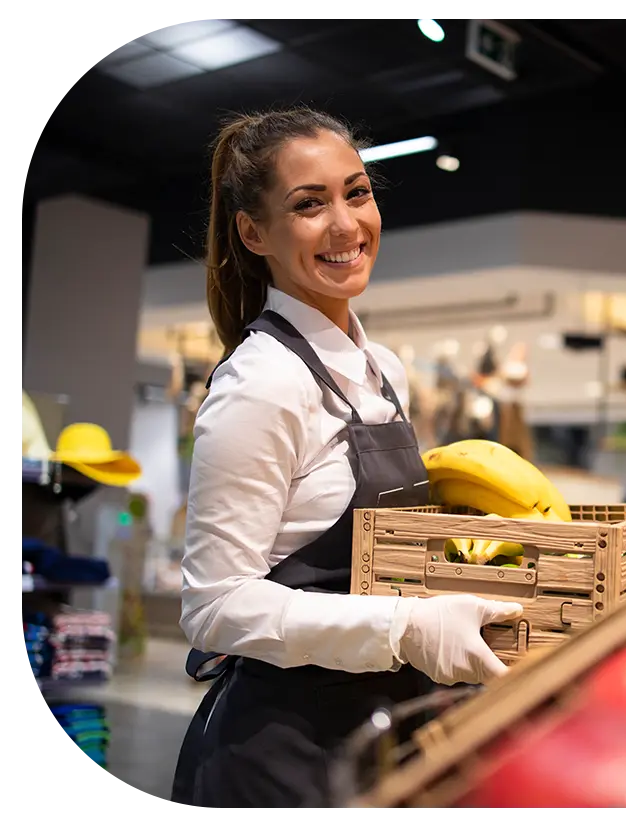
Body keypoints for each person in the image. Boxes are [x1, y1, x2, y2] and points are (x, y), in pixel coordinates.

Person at [168, 107, 522, 808]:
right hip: (280, 757)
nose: (345, 224)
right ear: (253, 233)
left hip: (381, 735)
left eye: (356, 193)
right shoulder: (261, 383)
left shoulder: (384, 370)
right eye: (309, 204)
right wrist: (405, 629)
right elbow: (215, 606)